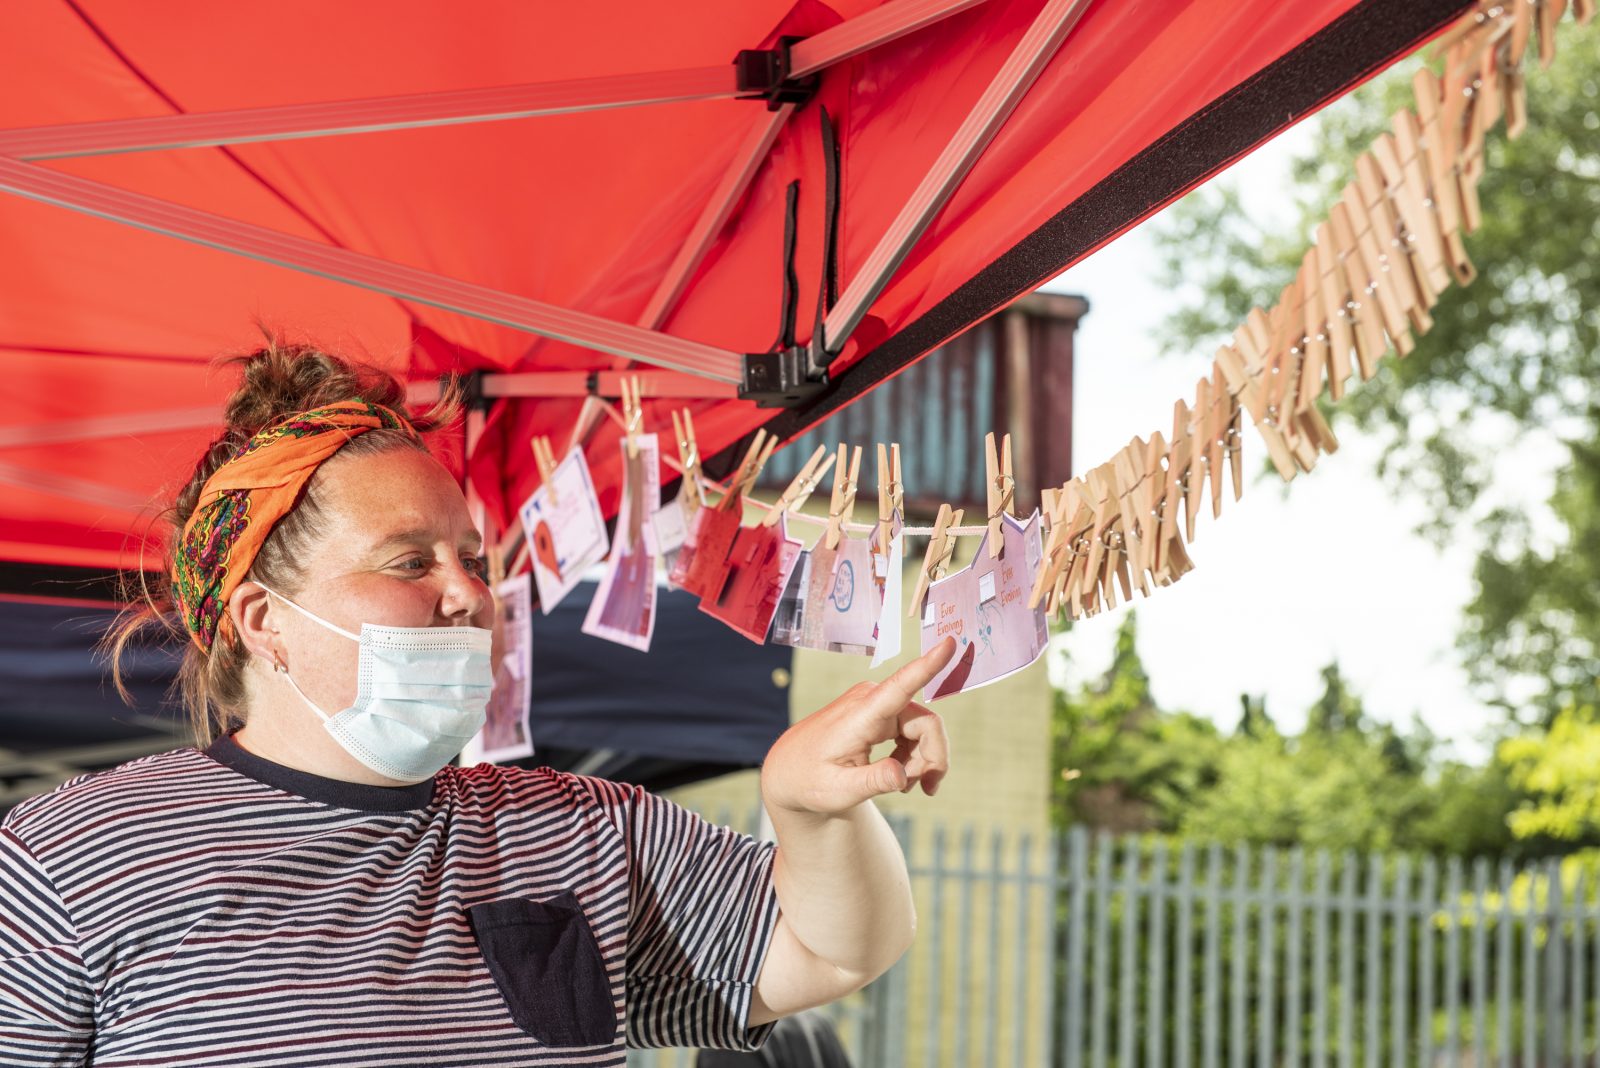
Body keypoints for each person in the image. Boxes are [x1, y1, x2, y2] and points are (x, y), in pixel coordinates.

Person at [0, 337, 957, 1067]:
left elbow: (828, 956)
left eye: (474, 558)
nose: (467, 594)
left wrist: (810, 812)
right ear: (264, 618)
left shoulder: (591, 832)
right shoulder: (63, 862)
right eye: (409, 561)